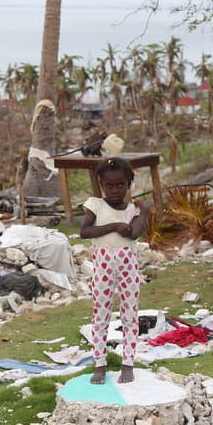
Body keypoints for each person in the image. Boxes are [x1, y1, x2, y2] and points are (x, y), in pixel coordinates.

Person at [80, 157, 150, 384]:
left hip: (127, 265)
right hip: (102, 266)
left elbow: (134, 234)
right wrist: (113, 226)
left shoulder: (131, 210)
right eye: (109, 185)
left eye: (120, 184)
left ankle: (127, 364)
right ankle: (99, 365)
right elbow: (85, 231)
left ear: (129, 184)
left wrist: (144, 212)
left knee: (130, 315)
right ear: (101, 185)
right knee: (100, 316)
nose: (114, 190)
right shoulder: (95, 205)